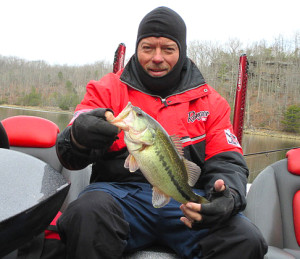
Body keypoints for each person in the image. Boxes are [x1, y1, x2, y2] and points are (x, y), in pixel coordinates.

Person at [56, 6, 268, 259]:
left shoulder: (212, 102)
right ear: (138, 49)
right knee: (85, 214)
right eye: (148, 48)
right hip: (118, 197)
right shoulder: (107, 89)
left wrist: (229, 198)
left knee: (245, 239)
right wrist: (78, 136)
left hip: (186, 202)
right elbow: (69, 154)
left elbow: (228, 161)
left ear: (181, 51)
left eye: (168, 49)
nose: (157, 57)